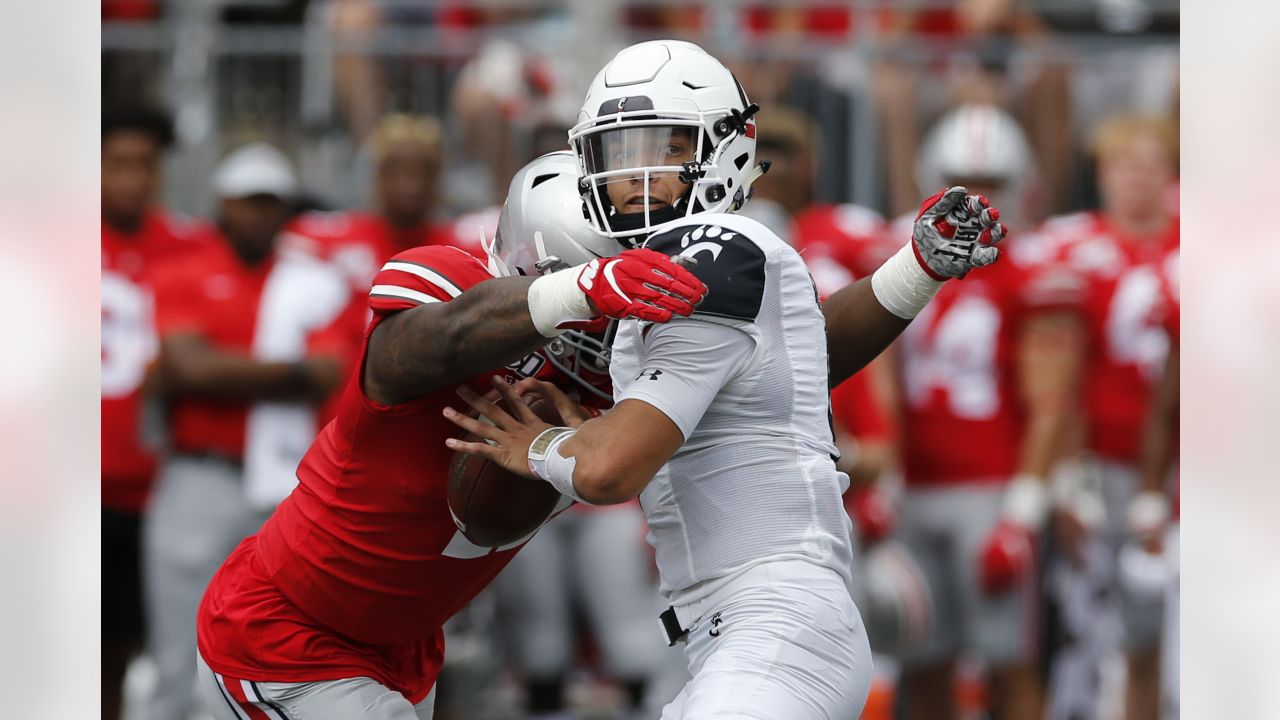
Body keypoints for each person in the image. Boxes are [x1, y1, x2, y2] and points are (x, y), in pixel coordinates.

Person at [442, 39, 1006, 720]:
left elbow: (609, 471)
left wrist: (537, 448)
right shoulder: (705, 260)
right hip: (739, 633)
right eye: (618, 155)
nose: (636, 175)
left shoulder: (716, 250)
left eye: (664, 147)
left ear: (726, 147)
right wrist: (912, 272)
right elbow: (801, 360)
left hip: (774, 624)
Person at [193, 151, 706, 720]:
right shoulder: (455, 290)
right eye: (610, 305)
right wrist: (577, 293)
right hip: (288, 632)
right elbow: (421, 346)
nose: (620, 330)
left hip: (404, 645)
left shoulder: (609, 391)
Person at [143, 142, 362, 720]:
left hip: (285, 485)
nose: (256, 216)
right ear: (222, 204)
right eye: (246, 203)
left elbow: (324, 376)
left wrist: (220, 369)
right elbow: (188, 366)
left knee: (273, 655)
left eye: (269, 203)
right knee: (176, 659)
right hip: (202, 475)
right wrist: (283, 371)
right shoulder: (184, 271)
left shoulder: (313, 281)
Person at [884, 104, 1082, 720]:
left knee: (1009, 664)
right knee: (920, 662)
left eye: (992, 182)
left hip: (988, 489)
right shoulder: (903, 264)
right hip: (913, 488)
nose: (976, 199)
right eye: (962, 180)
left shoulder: (1028, 271)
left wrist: (1021, 514)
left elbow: (1053, 403)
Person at [1034, 114, 1179, 720]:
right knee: (1081, 630)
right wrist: (1068, 476)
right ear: (1101, 174)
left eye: (1149, 165)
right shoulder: (1069, 246)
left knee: (1162, 632)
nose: (1136, 180)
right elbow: (1053, 376)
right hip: (1099, 456)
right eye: (1124, 165)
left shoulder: (1198, 244)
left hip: (1188, 465)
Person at [101, 103, 208, 720]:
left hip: (163, 487)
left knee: (165, 649)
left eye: (145, 165)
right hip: (71, 490)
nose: (132, 179)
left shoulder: (190, 245)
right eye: (117, 164)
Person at [286, 114, 484, 290]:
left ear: (437, 179)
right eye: (396, 170)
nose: (410, 184)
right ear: (378, 176)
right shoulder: (340, 238)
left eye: (422, 171)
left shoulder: (459, 253)